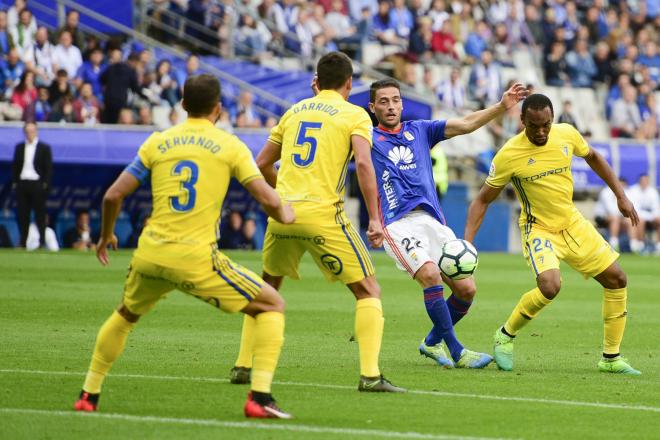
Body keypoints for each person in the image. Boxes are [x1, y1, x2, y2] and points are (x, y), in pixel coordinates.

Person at [73, 74, 296, 419]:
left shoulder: (158, 142)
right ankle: (260, 397)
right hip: (195, 257)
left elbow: (113, 195)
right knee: (271, 305)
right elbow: (267, 198)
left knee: (125, 315)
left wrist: (105, 236)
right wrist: (286, 209)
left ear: (182, 105)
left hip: (150, 253)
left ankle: (89, 393)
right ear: (218, 109)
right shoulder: (229, 145)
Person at [229, 52, 405, 393]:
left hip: (284, 214)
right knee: (368, 290)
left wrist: (282, 194)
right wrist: (375, 218)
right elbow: (365, 166)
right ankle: (370, 375)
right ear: (349, 83)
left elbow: (261, 163)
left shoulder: (294, 111)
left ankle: (242, 365)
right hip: (324, 216)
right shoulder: (354, 114)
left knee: (268, 289)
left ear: (317, 81)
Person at [464, 94, 641, 375]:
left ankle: (611, 357)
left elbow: (594, 157)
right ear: (522, 121)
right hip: (539, 228)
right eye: (534, 126)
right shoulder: (509, 154)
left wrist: (621, 195)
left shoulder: (566, 135)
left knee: (617, 279)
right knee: (550, 285)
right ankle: (506, 335)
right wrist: (467, 244)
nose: (542, 131)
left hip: (572, 222)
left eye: (546, 124)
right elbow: (482, 200)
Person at [368, 79, 527, 369]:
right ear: (372, 107)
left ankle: (430, 343)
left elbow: (465, 124)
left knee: (467, 290)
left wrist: (501, 107)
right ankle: (457, 351)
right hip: (397, 224)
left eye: (395, 100)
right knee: (430, 274)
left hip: (431, 220)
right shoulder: (365, 138)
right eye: (383, 101)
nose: (390, 106)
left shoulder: (420, 130)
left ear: (402, 103)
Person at [11, 121, 52, 248]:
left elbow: (48, 169)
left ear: (37, 131)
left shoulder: (44, 148)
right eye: (27, 131)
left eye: (32, 131)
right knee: (23, 214)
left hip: (37, 184)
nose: (30, 134)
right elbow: (15, 167)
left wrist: (45, 184)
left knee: (40, 215)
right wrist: (15, 183)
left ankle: (42, 241)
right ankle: (23, 241)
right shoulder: (19, 147)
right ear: (24, 132)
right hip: (23, 183)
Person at [594, 178, 632, 251]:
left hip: (618, 216)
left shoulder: (627, 193)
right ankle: (614, 244)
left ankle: (634, 244)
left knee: (631, 220)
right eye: (620, 186)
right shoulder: (606, 192)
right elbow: (611, 210)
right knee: (615, 218)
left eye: (623, 186)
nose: (622, 188)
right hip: (601, 217)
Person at [627, 174, 660, 254]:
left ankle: (658, 245)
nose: (644, 182)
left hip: (650, 217)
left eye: (646, 180)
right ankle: (640, 245)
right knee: (640, 220)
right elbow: (635, 209)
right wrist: (649, 216)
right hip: (637, 216)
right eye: (643, 180)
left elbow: (656, 208)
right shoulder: (632, 191)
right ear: (639, 181)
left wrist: (654, 216)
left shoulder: (653, 192)